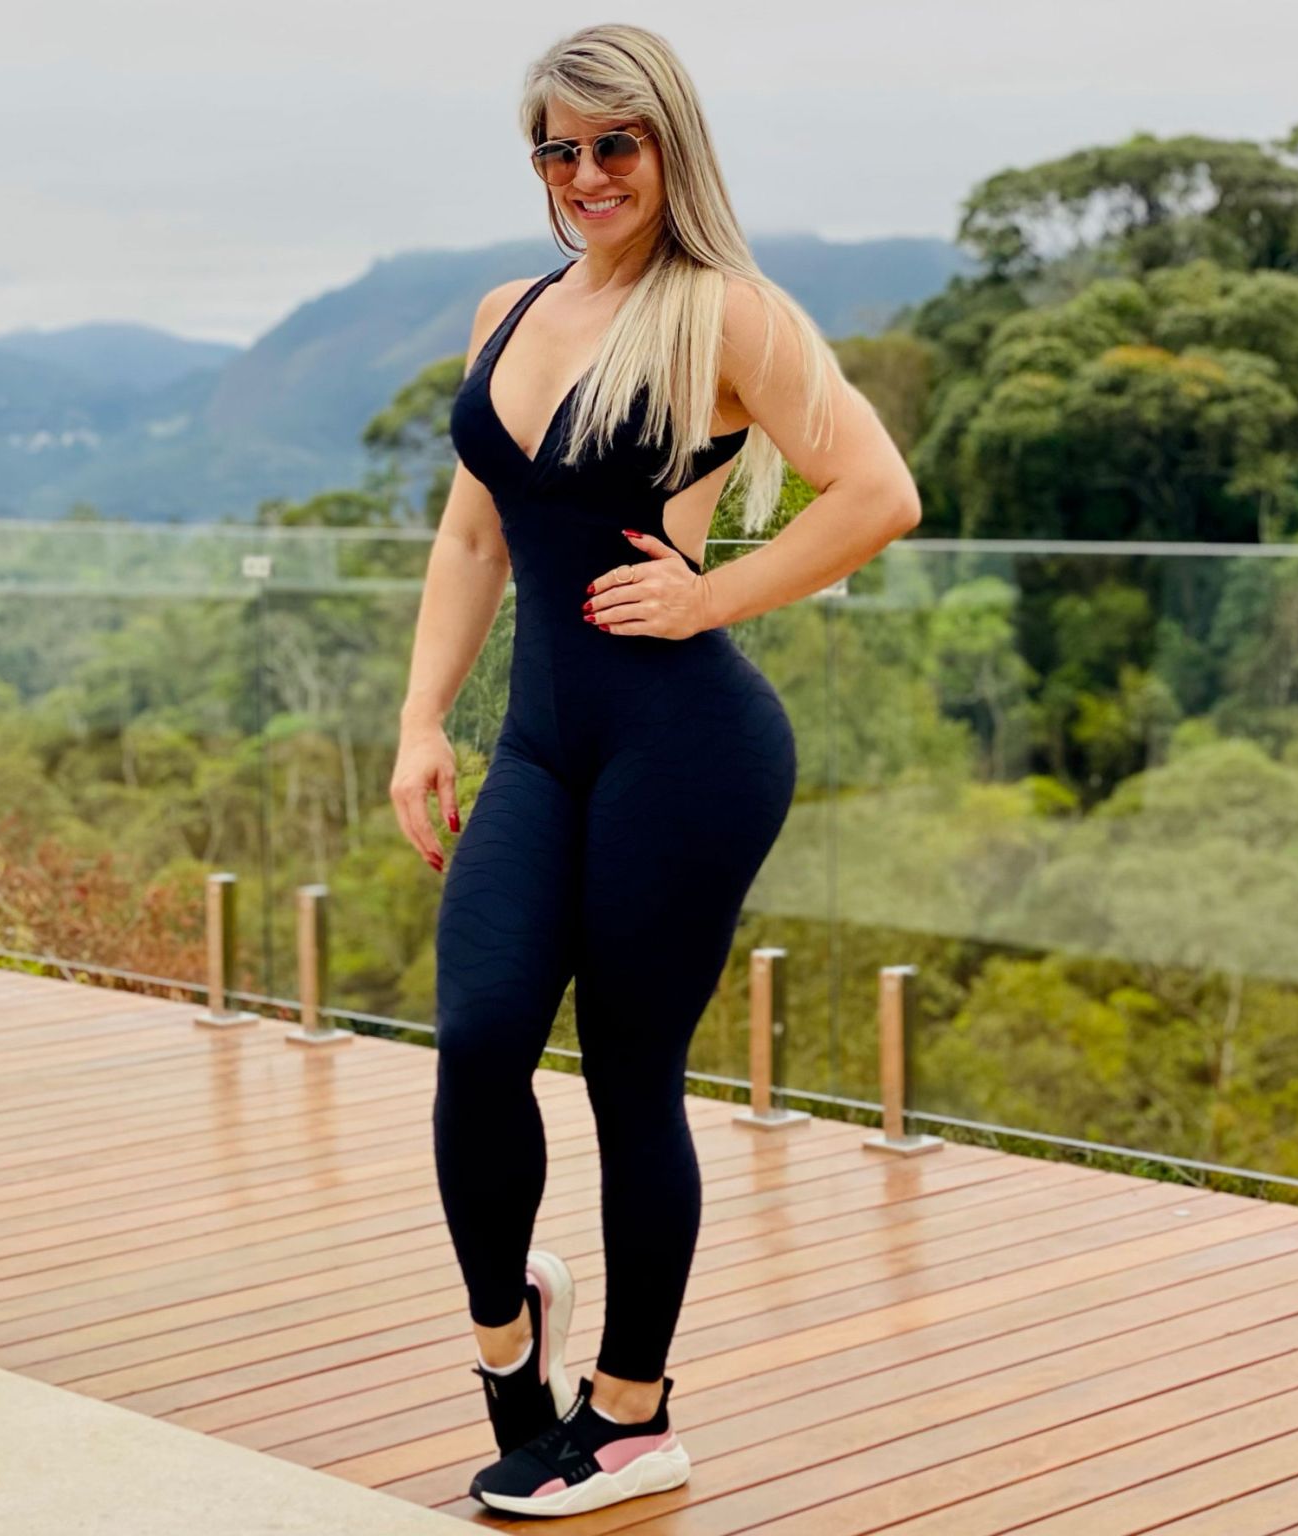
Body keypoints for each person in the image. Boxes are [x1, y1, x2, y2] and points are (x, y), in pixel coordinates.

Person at [390, 22, 920, 1519]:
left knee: (633, 1075)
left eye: (612, 143)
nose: (585, 174)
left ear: (668, 144)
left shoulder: (725, 313)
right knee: (479, 1036)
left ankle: (632, 1418)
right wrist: (423, 722)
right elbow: (474, 535)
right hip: (542, 742)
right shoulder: (509, 311)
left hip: (688, 748)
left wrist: (710, 596)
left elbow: (879, 492)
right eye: (556, 150)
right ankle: (511, 1353)